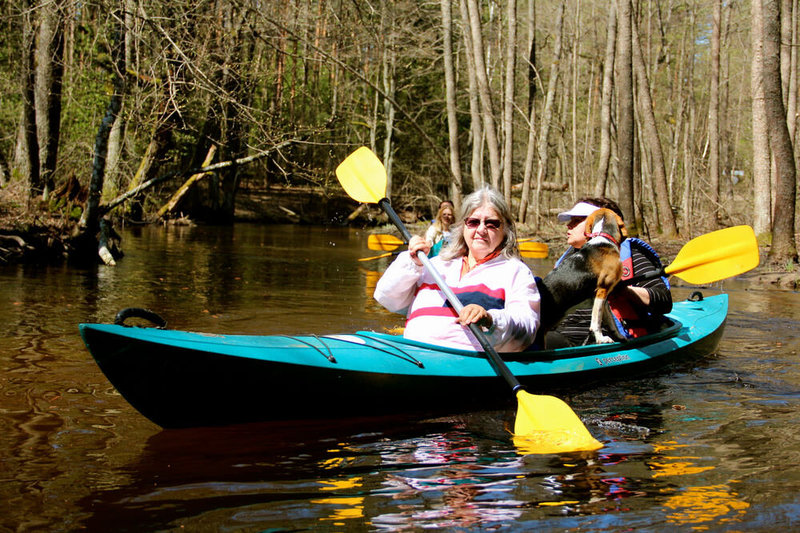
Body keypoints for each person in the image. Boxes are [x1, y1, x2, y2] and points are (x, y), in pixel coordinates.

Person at [374, 187, 540, 352]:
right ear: (463, 227)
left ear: (505, 230)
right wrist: (412, 263)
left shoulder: (515, 270)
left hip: (465, 361)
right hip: (413, 353)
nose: (481, 230)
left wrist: (490, 319)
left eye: (491, 224)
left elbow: (526, 329)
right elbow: (386, 297)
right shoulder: (435, 264)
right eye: (473, 222)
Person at [546, 196, 672, 348]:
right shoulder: (570, 260)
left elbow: (664, 301)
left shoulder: (628, 254)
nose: (569, 225)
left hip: (598, 341)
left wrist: (621, 289)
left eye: (577, 220)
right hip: (559, 332)